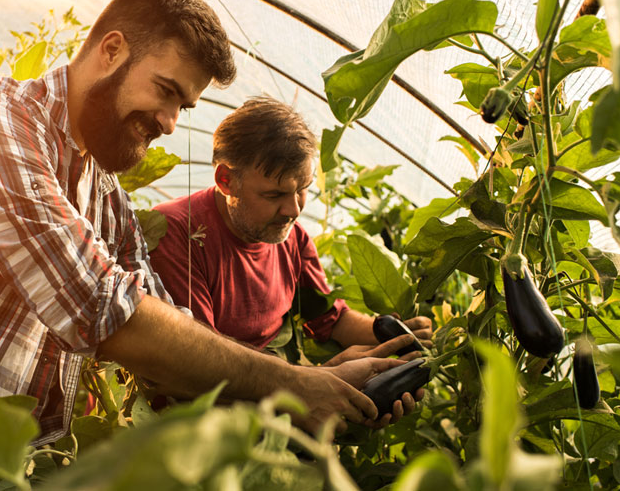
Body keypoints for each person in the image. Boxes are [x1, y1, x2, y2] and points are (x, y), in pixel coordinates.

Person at [0, 0, 396, 449]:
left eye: (182, 107)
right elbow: (100, 307)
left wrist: (321, 381)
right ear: (112, 49)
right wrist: (295, 388)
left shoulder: (104, 194)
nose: (168, 122)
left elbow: (168, 332)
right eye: (165, 91)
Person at [150, 97, 434, 422]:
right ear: (226, 180)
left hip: (273, 400)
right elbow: (200, 367)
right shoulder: (178, 235)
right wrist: (317, 379)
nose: (294, 210)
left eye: (303, 189)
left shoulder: (292, 238)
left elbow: (328, 319)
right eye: (274, 195)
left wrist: (391, 337)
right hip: (194, 425)